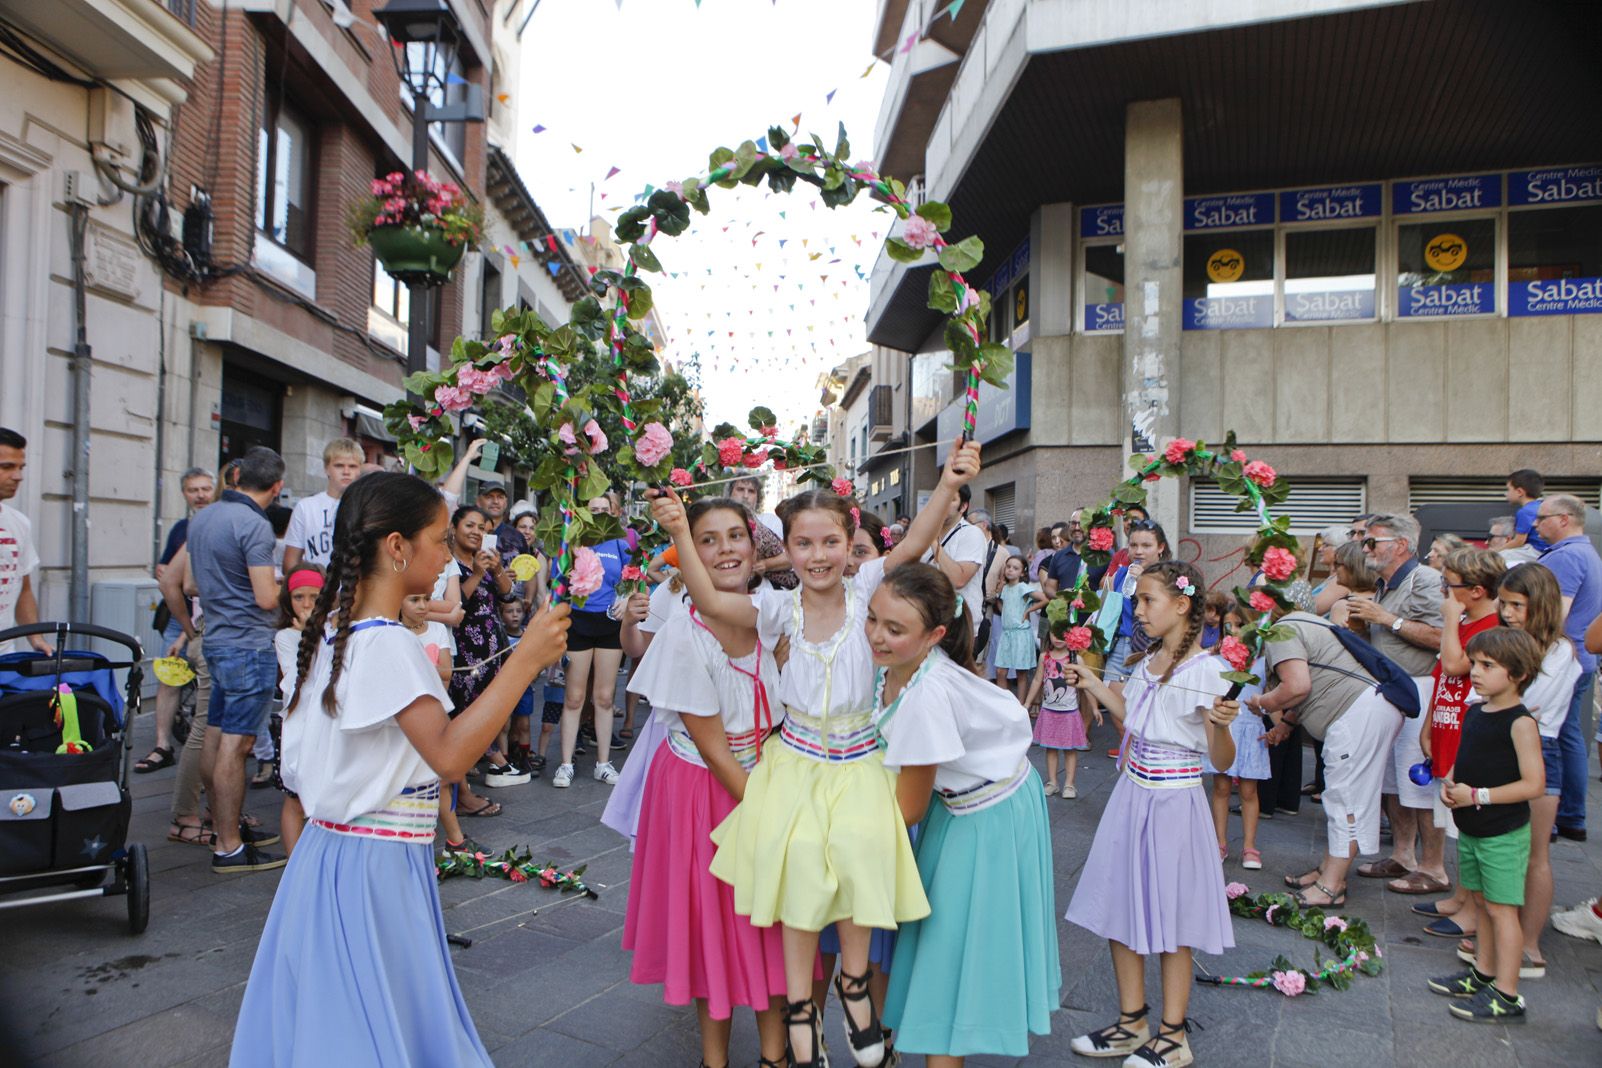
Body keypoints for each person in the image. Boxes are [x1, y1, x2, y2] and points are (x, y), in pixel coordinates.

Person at [655, 439, 982, 1068]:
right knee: (802, 869)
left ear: (849, 539)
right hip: (798, 759)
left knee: (862, 853)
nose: (818, 556)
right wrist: (676, 528)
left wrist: (948, 486)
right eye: (802, 544)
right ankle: (801, 1003)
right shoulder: (777, 608)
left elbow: (913, 543)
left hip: (859, 756)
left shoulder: (867, 592)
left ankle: (853, 983)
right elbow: (710, 600)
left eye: (830, 542)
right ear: (785, 550)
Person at [232, 472, 570, 1066]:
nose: (446, 553)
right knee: (372, 1023)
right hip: (371, 865)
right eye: (438, 539)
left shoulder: (339, 633)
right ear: (396, 546)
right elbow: (448, 755)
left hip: (340, 855)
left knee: (360, 1016)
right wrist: (524, 660)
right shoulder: (386, 643)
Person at [623, 496, 789, 1068]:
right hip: (702, 785)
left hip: (766, 774)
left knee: (768, 921)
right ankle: (713, 1060)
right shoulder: (683, 634)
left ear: (755, 545)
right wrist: (774, 814)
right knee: (710, 928)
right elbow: (716, 750)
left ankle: (775, 1057)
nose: (725, 550)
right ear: (689, 552)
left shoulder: (774, 613)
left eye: (735, 536)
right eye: (708, 539)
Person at [874, 563, 1060, 1064]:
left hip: (989, 813)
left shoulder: (927, 695)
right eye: (873, 620)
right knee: (941, 943)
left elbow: (906, 807)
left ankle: (946, 1049)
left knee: (953, 952)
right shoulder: (901, 669)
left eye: (895, 629)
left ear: (934, 635)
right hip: (955, 805)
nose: (877, 636)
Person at [1063, 561, 1240, 1068]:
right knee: (1120, 907)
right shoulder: (1147, 662)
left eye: (1146, 600)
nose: (1137, 610)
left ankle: (1173, 1035)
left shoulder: (1207, 670)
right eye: (1137, 601)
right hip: (1132, 793)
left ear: (1182, 605)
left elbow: (1221, 761)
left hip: (1174, 802)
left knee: (1172, 918)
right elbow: (1134, 717)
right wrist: (1093, 684)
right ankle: (1132, 1020)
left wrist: (1223, 725)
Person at [1428, 628, 1545, 1024]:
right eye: (1474, 663)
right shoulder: (1477, 710)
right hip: (1474, 828)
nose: (1474, 672)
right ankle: (1484, 971)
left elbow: (1534, 784)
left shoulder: (1521, 723)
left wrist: (1477, 796)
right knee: (1480, 904)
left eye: (1486, 666)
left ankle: (1507, 994)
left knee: (1501, 910)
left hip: (1502, 832)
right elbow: (1469, 756)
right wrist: (1454, 780)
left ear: (1517, 674)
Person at [1260, 605, 1406, 910]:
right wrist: (1287, 723)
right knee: (1347, 796)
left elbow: (1297, 686)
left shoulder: (1281, 630)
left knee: (1345, 799)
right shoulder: (1304, 622)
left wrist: (1262, 702)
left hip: (1356, 714)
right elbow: (1316, 677)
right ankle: (1329, 871)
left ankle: (1332, 885)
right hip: (1368, 709)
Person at [185, 445, 288, 873]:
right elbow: (266, 597)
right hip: (248, 644)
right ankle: (228, 845)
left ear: (236, 475)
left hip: (217, 638)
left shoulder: (203, 516)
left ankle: (223, 828)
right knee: (238, 744)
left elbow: (190, 584)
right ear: (277, 487)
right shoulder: (254, 525)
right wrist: (292, 586)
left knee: (216, 734)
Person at [1345, 513, 1448, 896]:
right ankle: (1403, 854)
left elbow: (1441, 637)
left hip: (1418, 688)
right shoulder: (1382, 583)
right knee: (1391, 781)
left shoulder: (1424, 580)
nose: (1365, 548)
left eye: (1373, 542)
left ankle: (1433, 867)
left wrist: (1387, 620)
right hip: (1389, 688)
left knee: (1418, 781)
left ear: (1401, 545)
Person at [1488, 563, 1579, 975]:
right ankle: (1498, 935)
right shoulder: (1506, 642)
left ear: (1538, 605)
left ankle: (1529, 942)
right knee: (1499, 850)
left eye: (1517, 605)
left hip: (1539, 749)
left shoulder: (1560, 651)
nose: (1507, 612)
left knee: (1535, 855)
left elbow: (1525, 702)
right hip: (1496, 747)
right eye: (1504, 604)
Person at [1412, 548, 1505, 942]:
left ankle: (1472, 907)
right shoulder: (1465, 620)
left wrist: (1450, 620)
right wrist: (1430, 725)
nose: (1444, 595)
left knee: (1468, 826)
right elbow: (1441, 678)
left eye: (1449, 587)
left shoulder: (1490, 628)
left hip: (1470, 735)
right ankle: (1461, 897)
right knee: (1457, 826)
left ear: (1478, 590)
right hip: (1448, 727)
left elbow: (1454, 665)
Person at [1531, 493, 1601, 842]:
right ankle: (1571, 814)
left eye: (1542, 517)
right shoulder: (1585, 552)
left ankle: (1558, 816)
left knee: (1554, 736)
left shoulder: (1567, 556)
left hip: (1563, 661)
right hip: (1580, 659)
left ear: (1563, 519)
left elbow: (1553, 615)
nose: (1535, 523)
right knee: (1570, 735)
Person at [139, 467, 217, 773]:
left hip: (207, 615)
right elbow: (163, 568)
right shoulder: (180, 530)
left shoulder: (214, 525)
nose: (199, 495)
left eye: (204, 488)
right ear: (184, 494)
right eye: (192, 490)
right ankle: (162, 744)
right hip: (178, 614)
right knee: (169, 679)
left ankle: (209, 746)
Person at [445, 505, 526, 796]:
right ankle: (496, 761)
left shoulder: (486, 560)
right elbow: (456, 605)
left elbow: (507, 596)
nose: (477, 532)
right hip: (464, 647)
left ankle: (477, 758)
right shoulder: (447, 563)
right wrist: (477, 573)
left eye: (482, 527)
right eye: (470, 525)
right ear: (454, 528)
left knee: (489, 704)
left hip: (492, 646)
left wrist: (497, 569)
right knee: (470, 704)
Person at [552, 495, 631, 788]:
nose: (598, 515)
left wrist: (626, 598)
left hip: (610, 624)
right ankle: (565, 764)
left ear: (613, 513)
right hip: (578, 622)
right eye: (593, 510)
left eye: (604, 510)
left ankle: (603, 763)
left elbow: (633, 579)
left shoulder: (620, 544)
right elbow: (557, 582)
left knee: (605, 697)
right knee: (574, 698)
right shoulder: (572, 542)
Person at [1210, 602, 1271, 872]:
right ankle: (1219, 842)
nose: (1233, 631)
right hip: (1226, 728)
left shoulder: (1262, 660)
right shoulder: (1216, 658)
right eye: (1228, 626)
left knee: (1248, 790)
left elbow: (1271, 693)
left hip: (1251, 729)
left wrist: (1279, 726)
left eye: (1239, 625)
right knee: (1221, 787)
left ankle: (1250, 845)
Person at [270, 564, 325, 853]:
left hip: (326, 724)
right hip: (299, 726)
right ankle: (293, 865)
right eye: (299, 597)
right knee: (295, 799)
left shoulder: (334, 632)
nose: (307, 605)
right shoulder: (285, 637)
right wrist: (308, 636)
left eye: (315, 597)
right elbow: (294, 683)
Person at [1023, 628, 1093, 798]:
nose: (1058, 638)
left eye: (1063, 634)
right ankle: (1052, 782)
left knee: (1070, 749)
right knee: (1051, 749)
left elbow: (1088, 685)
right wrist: (1026, 703)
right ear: (1049, 634)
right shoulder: (1044, 657)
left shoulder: (1076, 659)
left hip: (1069, 712)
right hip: (1049, 711)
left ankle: (1069, 784)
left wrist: (1095, 707)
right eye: (1054, 633)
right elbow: (1038, 680)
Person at [0, 428, 51, 654]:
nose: (18, 476)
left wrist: (35, 637)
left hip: (5, 654)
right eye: (7, 467)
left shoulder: (19, 523)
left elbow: (23, 589)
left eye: (21, 467)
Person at [282, 438, 363, 571]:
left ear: (359, 470)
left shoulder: (367, 506)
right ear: (326, 468)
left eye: (352, 466)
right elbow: (290, 561)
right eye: (339, 465)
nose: (346, 472)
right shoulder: (306, 507)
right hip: (316, 588)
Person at [923, 484, 988, 651]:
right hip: (926, 624)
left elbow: (959, 579)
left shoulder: (971, 534)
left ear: (963, 506)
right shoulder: (923, 534)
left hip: (960, 629)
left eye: (951, 499)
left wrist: (933, 542)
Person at [992, 555, 1045, 701]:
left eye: (1015, 568)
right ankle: (1005, 704)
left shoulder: (1022, 587)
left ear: (1022, 572)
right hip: (1007, 634)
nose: (1010, 570)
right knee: (1000, 671)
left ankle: (1021, 707)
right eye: (1008, 567)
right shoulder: (1005, 588)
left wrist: (1028, 611)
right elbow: (1003, 605)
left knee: (1021, 673)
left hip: (1021, 634)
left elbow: (1044, 599)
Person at [1505, 469, 1548, 553]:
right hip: (1548, 550)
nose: (1506, 493)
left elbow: (1519, 541)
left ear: (1519, 492)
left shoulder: (1525, 512)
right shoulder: (1542, 505)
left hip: (1536, 550)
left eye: (1508, 489)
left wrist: (1495, 551)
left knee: (1503, 556)